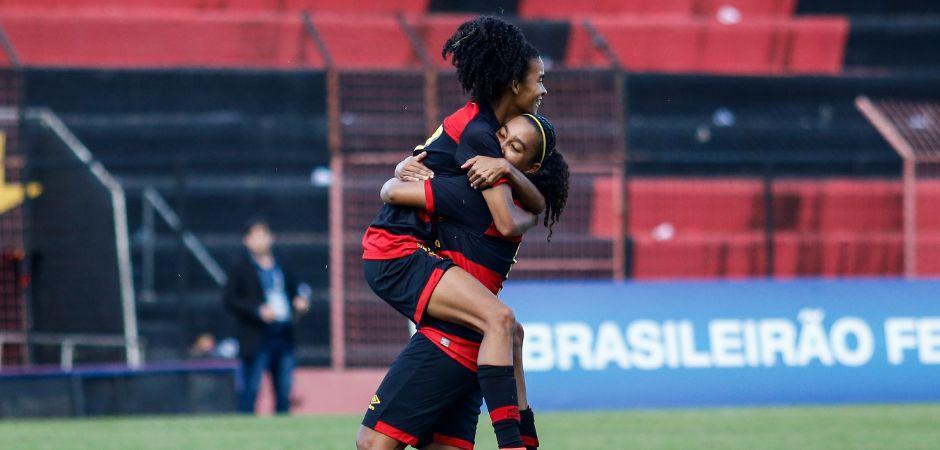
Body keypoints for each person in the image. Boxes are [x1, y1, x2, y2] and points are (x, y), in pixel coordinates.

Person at [358, 16, 548, 450]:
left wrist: (395, 177)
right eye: (538, 81)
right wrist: (395, 179)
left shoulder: (477, 127)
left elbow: (410, 173)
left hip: (410, 250)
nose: (542, 91)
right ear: (513, 84)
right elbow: (506, 220)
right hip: (399, 250)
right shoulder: (482, 140)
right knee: (499, 322)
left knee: (500, 329)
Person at [223, 218, 311, 414]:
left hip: (283, 333)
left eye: (263, 236)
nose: (260, 241)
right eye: (255, 236)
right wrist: (257, 310)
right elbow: (230, 299)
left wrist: (300, 301)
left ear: (271, 238)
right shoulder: (240, 268)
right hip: (256, 335)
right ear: (246, 241)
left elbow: (297, 289)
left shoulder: (283, 265)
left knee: (284, 388)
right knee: (251, 388)